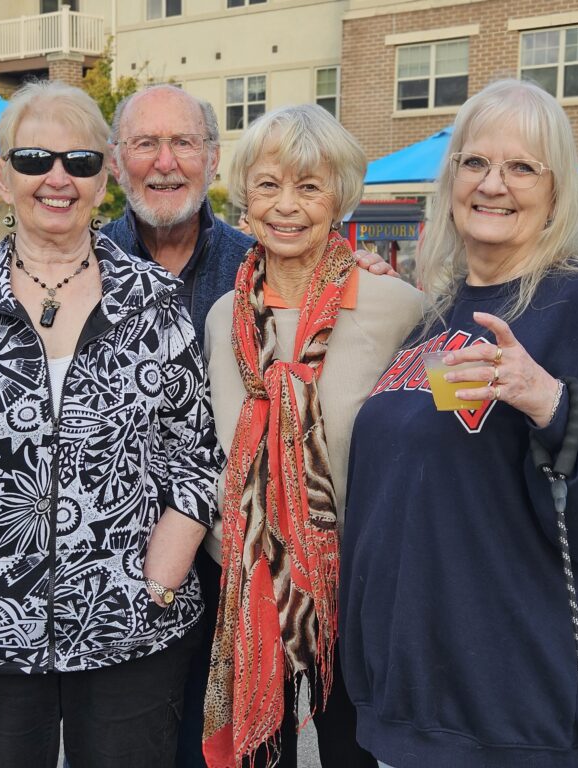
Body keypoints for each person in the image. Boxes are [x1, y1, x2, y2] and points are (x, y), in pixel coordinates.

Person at [0, 83, 395, 768]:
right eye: (144, 144)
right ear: (117, 166)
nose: (165, 161)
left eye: (183, 142)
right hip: (112, 582)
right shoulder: (65, 259)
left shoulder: (257, 258)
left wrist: (359, 266)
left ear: (213, 162)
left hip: (242, 565)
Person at [339, 79, 578, 768]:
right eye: (475, 163)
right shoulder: (439, 313)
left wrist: (552, 403)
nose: (493, 184)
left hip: (504, 717)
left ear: (555, 191)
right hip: (408, 703)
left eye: (522, 167)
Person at [0, 81, 222, 768]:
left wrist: (158, 581)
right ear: (2, 176)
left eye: (81, 160)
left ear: (106, 177)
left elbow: (194, 458)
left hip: (134, 628)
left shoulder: (153, 303)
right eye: (35, 159)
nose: (58, 178)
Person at [201, 105, 423, 768]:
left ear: (341, 196)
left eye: (309, 186)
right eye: (269, 185)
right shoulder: (221, 316)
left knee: (350, 755)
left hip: (349, 584)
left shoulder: (398, 308)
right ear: (245, 196)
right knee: (258, 756)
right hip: (243, 579)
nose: (287, 206)